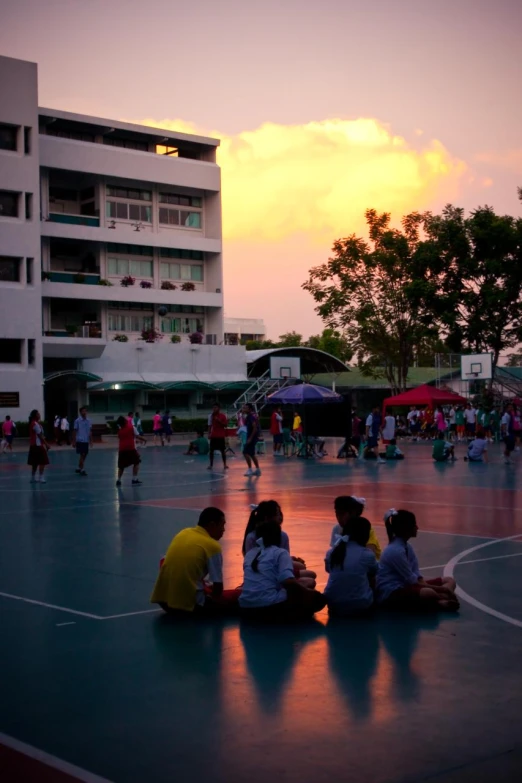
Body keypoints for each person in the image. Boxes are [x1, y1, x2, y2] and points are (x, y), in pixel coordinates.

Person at [151, 507, 241, 615]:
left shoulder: (183, 533)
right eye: (222, 525)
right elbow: (218, 588)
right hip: (190, 607)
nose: (224, 529)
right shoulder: (212, 546)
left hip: (165, 603)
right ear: (212, 525)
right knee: (237, 598)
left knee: (204, 585)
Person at [239, 521, 326, 622]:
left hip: (245, 610)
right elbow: (288, 582)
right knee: (319, 599)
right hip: (268, 608)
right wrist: (307, 592)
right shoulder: (280, 553)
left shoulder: (249, 554)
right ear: (278, 537)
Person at [376, 509, 459, 611]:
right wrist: (443, 590)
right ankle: (440, 601)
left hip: (408, 586)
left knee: (449, 580)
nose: (417, 527)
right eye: (414, 524)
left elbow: (417, 577)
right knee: (428, 592)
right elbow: (412, 582)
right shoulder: (395, 551)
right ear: (406, 528)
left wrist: (433, 587)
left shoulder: (407, 547)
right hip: (392, 592)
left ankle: (439, 600)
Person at [242, 501, 316, 587]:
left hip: (275, 571)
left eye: (280, 513)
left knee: (307, 572)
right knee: (305, 574)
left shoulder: (282, 536)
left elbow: (282, 558)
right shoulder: (253, 537)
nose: (280, 517)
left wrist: (291, 559)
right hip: (272, 574)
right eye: (277, 514)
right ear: (267, 518)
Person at [324, 516, 378, 617]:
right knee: (372, 578)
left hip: (334, 605)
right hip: (360, 605)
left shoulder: (332, 553)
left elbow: (328, 570)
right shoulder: (367, 554)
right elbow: (375, 572)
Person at [116, 415, 141, 486]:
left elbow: (120, 437)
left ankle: (119, 480)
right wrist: (144, 439)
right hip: (130, 449)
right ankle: (134, 479)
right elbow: (137, 436)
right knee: (136, 462)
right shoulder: (131, 428)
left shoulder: (120, 431)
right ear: (124, 421)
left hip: (122, 449)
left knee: (121, 466)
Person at [27, 409, 50, 483]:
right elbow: (40, 435)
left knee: (34, 462)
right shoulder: (35, 424)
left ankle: (33, 477)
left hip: (34, 445)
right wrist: (46, 444)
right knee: (42, 461)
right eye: (38, 414)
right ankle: (41, 477)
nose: (39, 415)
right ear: (35, 416)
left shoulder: (35, 423)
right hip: (38, 445)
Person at [207, 403, 228, 472]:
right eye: (213, 408)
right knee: (211, 450)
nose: (214, 409)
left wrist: (218, 421)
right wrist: (209, 433)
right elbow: (209, 425)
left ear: (219, 408)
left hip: (221, 435)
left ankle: (225, 464)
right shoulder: (211, 416)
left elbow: (225, 425)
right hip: (214, 435)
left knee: (222, 450)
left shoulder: (223, 416)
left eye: (215, 407)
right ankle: (211, 464)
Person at [72, 406, 92, 476]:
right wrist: (74, 441)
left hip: (86, 440)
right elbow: (74, 431)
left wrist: (91, 441)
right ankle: (82, 469)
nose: (84, 412)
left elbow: (89, 431)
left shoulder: (89, 421)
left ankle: (79, 467)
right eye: (83, 411)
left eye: (85, 411)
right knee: (82, 454)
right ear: (80, 412)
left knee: (85, 455)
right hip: (80, 440)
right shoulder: (77, 421)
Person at [243, 403, 261, 476]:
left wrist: (250, 438)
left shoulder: (251, 417)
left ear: (250, 409)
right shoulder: (249, 416)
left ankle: (250, 469)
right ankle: (257, 470)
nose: (244, 409)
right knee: (252, 454)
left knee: (245, 452)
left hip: (252, 438)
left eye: (246, 408)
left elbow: (255, 428)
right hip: (252, 437)